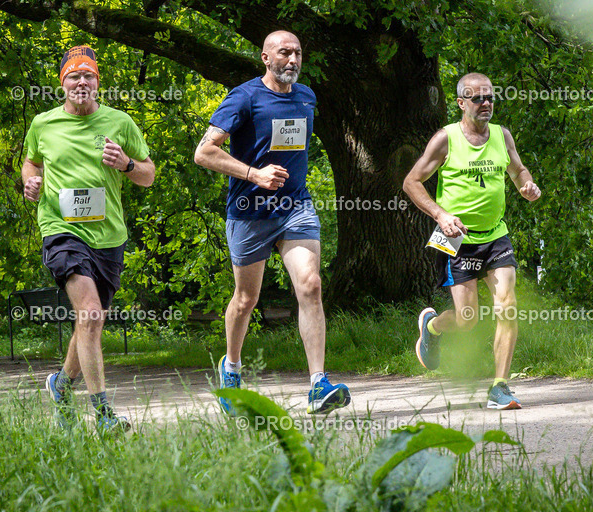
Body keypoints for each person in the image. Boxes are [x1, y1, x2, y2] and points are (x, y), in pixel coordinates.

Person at [194, 30, 351, 415]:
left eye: (298, 52)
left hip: (295, 206)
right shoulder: (244, 97)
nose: (293, 59)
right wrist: (254, 173)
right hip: (249, 211)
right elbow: (204, 152)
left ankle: (318, 384)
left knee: (311, 284)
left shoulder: (307, 97)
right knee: (246, 300)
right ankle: (231, 367)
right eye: (285, 52)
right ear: (266, 58)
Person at [22, 45, 155, 431]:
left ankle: (61, 385)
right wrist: (29, 181)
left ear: (98, 82)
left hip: (108, 236)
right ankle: (103, 415)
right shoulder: (43, 124)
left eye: (89, 75)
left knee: (90, 321)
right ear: (62, 83)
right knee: (92, 314)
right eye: (74, 76)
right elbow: (31, 161)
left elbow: (147, 174)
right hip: (61, 230)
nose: (82, 81)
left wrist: (127, 164)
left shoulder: (120, 122)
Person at [402, 72, 541, 409]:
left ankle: (499, 386)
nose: (486, 103)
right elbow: (411, 182)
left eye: (490, 97)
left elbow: (518, 170)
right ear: (462, 103)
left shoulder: (502, 136)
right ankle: (433, 328)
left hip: (496, 236)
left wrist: (527, 184)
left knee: (507, 306)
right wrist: (440, 215)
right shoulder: (445, 139)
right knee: (467, 320)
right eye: (478, 98)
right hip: (457, 241)